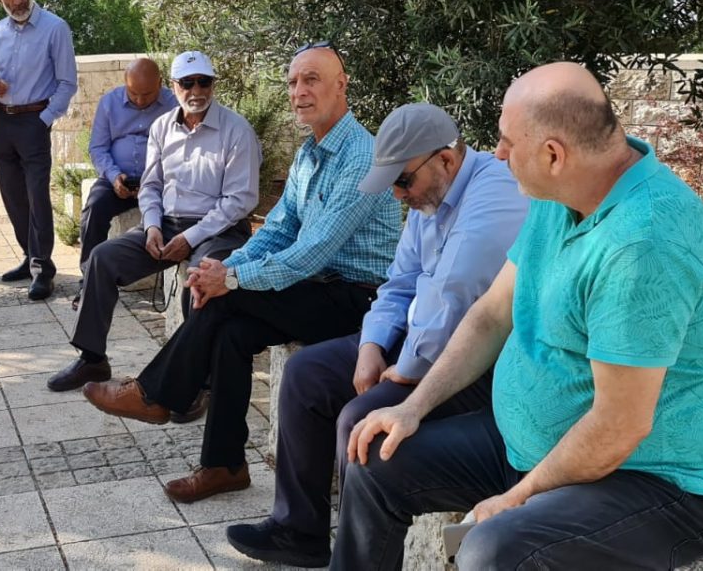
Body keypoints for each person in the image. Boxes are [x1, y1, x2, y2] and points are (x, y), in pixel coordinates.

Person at [336, 62, 703, 570]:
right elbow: (491, 314)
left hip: (653, 483)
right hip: (531, 450)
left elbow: (620, 425)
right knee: (374, 463)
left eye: (507, 142)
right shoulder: (562, 194)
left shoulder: (643, 244)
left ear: (553, 154)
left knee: (493, 550)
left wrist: (520, 496)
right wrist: (412, 407)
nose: (497, 154)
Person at [83, 43, 401, 503]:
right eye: (292, 82)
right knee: (230, 332)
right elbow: (278, 230)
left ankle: (156, 394)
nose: (299, 91)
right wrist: (224, 267)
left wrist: (230, 281)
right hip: (318, 288)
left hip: (358, 299)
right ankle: (225, 465)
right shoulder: (309, 154)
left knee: (225, 298)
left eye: (311, 80)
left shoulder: (361, 156)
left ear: (341, 85)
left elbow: (310, 252)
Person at [226, 103, 528, 567]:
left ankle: (359, 556)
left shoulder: (493, 197)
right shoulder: (430, 193)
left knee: (360, 422)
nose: (397, 194)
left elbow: (453, 297)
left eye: (402, 181)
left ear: (446, 160)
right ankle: (298, 530)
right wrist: (371, 346)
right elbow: (400, 282)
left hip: (469, 358)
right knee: (307, 374)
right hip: (420, 337)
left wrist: (404, 369)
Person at [48, 51, 259, 394]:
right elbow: (151, 186)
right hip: (168, 224)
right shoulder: (162, 127)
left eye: (203, 82)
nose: (196, 91)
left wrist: (191, 238)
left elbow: (240, 201)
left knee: (201, 277)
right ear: (173, 86)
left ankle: (199, 381)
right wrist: (152, 226)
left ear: (213, 84)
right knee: (101, 258)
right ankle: (92, 359)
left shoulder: (236, 130)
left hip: (218, 228)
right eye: (187, 83)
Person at [0, 0, 77, 301]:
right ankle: (28, 256)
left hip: (34, 122)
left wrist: (44, 120)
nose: (16, 0)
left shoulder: (55, 28)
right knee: (12, 195)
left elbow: (67, 82)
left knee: (37, 195)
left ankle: (43, 268)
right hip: (2, 120)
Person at [74, 57, 178, 306]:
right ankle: (89, 281)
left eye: (147, 94)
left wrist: (156, 179)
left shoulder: (174, 105)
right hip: (117, 179)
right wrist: (113, 176)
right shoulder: (109, 102)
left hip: (159, 181)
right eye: (133, 94)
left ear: (160, 84)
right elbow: (98, 148)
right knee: (94, 209)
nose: (140, 101)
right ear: (124, 83)